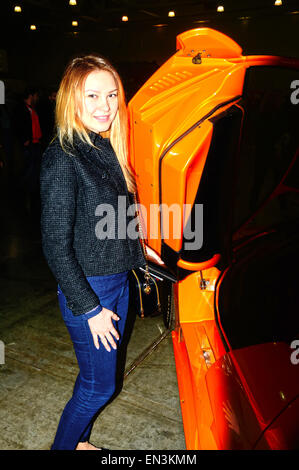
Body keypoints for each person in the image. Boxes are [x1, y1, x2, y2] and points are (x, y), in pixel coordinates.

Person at [40, 54, 163, 451]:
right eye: (92, 95)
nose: (104, 106)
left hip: (116, 282)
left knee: (93, 378)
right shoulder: (64, 157)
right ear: (71, 99)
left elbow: (113, 217)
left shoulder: (105, 146)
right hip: (90, 290)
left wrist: (142, 251)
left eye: (112, 95)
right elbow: (55, 246)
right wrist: (90, 309)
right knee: (99, 388)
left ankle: (82, 442)